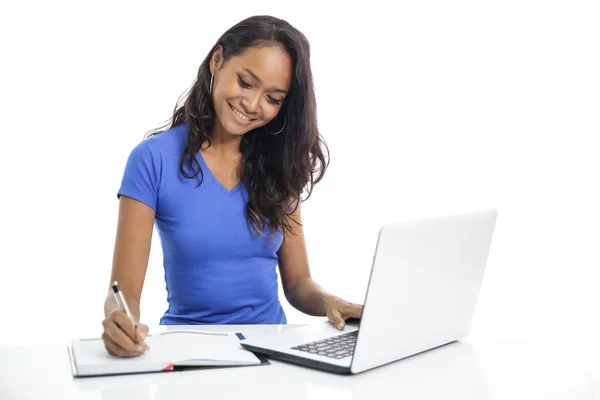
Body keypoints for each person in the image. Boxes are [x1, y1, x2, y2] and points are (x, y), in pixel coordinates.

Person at [101, 15, 363, 358]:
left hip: (274, 353)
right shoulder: (152, 160)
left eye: (273, 97)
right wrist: (120, 320)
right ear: (217, 60)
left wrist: (331, 301)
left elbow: (298, 284)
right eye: (245, 82)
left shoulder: (277, 166)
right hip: (192, 354)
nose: (252, 105)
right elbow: (125, 292)